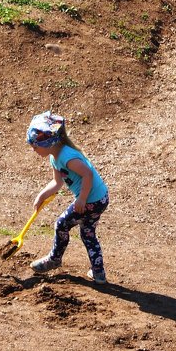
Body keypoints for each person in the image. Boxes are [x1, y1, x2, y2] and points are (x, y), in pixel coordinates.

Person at [26, 111, 110, 285]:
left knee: (61, 224)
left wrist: (82, 199)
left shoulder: (66, 156)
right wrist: (42, 195)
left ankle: (54, 259)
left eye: (35, 146)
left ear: (49, 141)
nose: (33, 149)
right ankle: (98, 273)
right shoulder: (55, 157)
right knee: (88, 233)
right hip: (100, 199)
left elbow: (87, 174)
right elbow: (57, 183)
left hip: (91, 201)